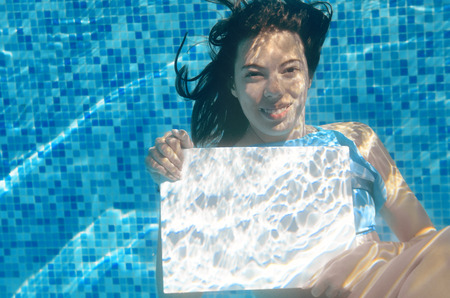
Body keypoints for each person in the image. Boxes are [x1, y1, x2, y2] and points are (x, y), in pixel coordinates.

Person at [146, 0, 450, 297]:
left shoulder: (356, 142)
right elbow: (177, 294)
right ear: (233, 85)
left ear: (309, 74)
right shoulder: (218, 171)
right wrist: (177, 192)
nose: (275, 91)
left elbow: (424, 241)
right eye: (254, 74)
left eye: (289, 70)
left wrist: (372, 256)